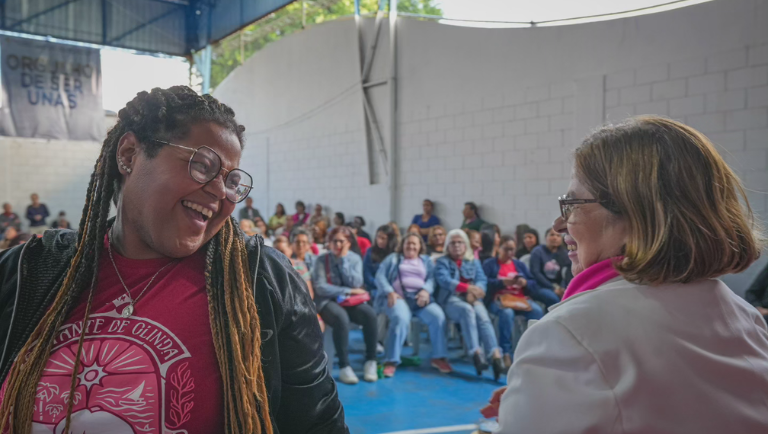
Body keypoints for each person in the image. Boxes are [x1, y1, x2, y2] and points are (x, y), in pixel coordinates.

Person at [0, 86, 347, 433]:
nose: (220, 191)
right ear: (130, 154)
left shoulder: (261, 281)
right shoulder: (29, 271)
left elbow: (317, 423)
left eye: (232, 181)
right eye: (202, 165)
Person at [488, 116, 768, 433]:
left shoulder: (569, 334)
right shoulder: (745, 318)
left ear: (635, 212)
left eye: (572, 204)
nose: (559, 224)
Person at [374, 233, 452, 377]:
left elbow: (432, 279)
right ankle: (391, 361)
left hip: (420, 298)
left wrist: (426, 291)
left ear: (420, 246)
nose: (411, 246)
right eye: (408, 243)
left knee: (438, 316)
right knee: (401, 319)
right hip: (398, 298)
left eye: (414, 244)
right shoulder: (393, 258)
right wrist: (389, 291)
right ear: (402, 245)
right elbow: (380, 276)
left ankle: (439, 357)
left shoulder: (426, 260)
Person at [312, 226, 378, 385]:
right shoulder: (322, 260)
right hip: (327, 302)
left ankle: (371, 361)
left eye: (341, 241)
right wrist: (348, 290)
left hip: (350, 302)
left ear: (348, 242)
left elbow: (357, 282)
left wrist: (343, 261)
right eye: (334, 241)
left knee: (370, 315)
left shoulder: (354, 259)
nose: (337, 245)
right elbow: (321, 287)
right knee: (341, 318)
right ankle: (344, 366)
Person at [435, 229, 504, 380]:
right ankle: (476, 353)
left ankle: (495, 355)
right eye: (453, 243)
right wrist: (468, 289)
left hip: (472, 297)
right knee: (467, 310)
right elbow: (445, 281)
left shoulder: (473, 260)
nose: (457, 246)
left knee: (483, 316)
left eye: (460, 242)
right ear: (447, 246)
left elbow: (481, 280)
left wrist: (476, 292)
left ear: (466, 245)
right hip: (451, 299)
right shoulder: (442, 262)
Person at [482, 236, 542, 368]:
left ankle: (534, 350)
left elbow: (533, 283)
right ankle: (506, 353)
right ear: (499, 248)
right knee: (507, 314)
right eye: (506, 249)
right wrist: (501, 283)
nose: (510, 253)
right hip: (498, 299)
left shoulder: (519, 265)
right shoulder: (490, 264)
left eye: (512, 250)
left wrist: (525, 283)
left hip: (519, 299)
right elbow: (484, 282)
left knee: (537, 311)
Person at [528, 228, 570, 308]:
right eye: (552, 235)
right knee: (554, 299)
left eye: (558, 235)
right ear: (545, 237)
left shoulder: (564, 253)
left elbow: (566, 273)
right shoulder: (537, 251)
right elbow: (536, 273)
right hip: (539, 286)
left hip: (558, 287)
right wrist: (553, 288)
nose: (555, 237)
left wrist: (562, 287)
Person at [363, 225, 399, 297]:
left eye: (383, 238)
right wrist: (380, 285)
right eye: (378, 237)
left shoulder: (396, 255)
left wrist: (388, 288)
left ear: (390, 240)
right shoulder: (370, 252)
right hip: (374, 288)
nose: (379, 240)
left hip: (392, 289)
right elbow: (366, 274)